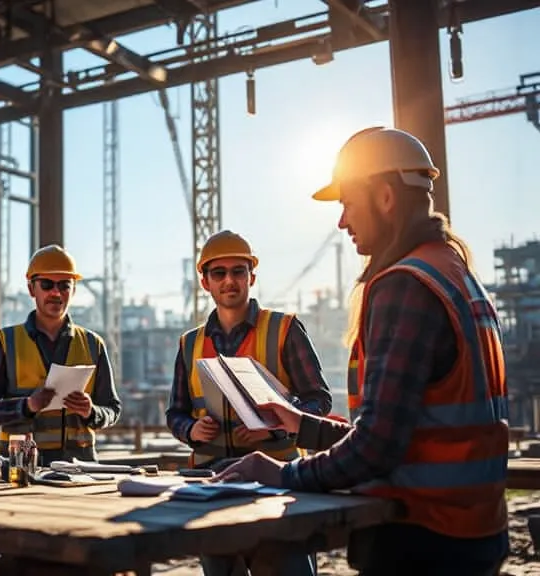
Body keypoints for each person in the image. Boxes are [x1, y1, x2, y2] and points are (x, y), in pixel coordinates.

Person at [215, 127, 509, 576]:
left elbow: (379, 448)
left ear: (386, 198)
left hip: (421, 538)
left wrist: (282, 475)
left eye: (348, 203)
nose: (342, 222)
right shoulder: (453, 272)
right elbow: (411, 435)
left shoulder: (404, 285)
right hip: (471, 531)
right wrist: (305, 427)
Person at [165, 229, 332, 576]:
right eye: (219, 273)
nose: (230, 281)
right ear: (205, 282)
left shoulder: (284, 329)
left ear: (251, 277)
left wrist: (278, 428)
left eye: (238, 271)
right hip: (212, 486)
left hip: (276, 483)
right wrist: (192, 429)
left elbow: (319, 400)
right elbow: (175, 414)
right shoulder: (189, 344)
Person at [0, 244, 122, 466]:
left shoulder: (93, 344)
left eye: (64, 285)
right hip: (19, 470)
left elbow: (112, 409)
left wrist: (92, 411)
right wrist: (27, 406)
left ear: (73, 290)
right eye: (47, 284)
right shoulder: (6, 342)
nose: (56, 293)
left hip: (80, 468)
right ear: (32, 289)